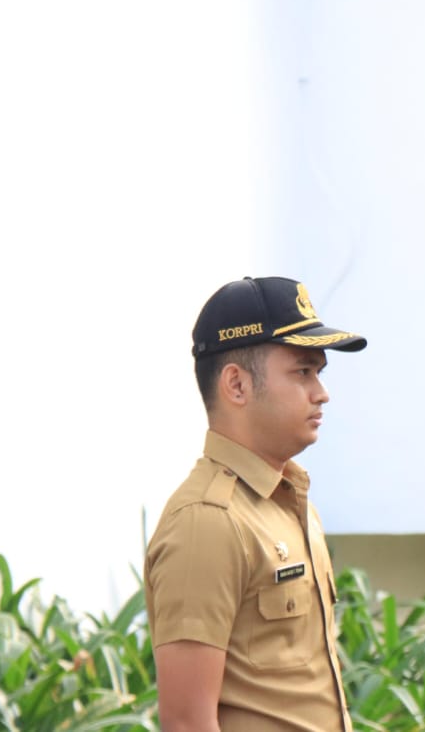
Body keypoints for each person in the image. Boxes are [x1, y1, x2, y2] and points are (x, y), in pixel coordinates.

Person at [145, 276, 367, 732]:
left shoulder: (287, 501)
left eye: (319, 373)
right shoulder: (207, 522)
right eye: (303, 372)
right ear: (237, 385)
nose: (321, 393)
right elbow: (187, 722)